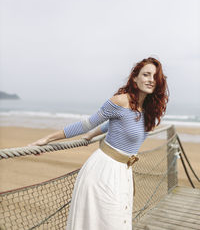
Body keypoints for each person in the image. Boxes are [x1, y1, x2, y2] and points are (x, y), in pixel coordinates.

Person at [29, 57, 169, 230]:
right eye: (146, 75)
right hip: (104, 171)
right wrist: (48, 139)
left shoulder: (149, 110)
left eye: (155, 77)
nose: (150, 80)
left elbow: (113, 124)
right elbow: (87, 123)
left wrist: (92, 135)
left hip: (124, 173)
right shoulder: (120, 101)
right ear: (135, 78)